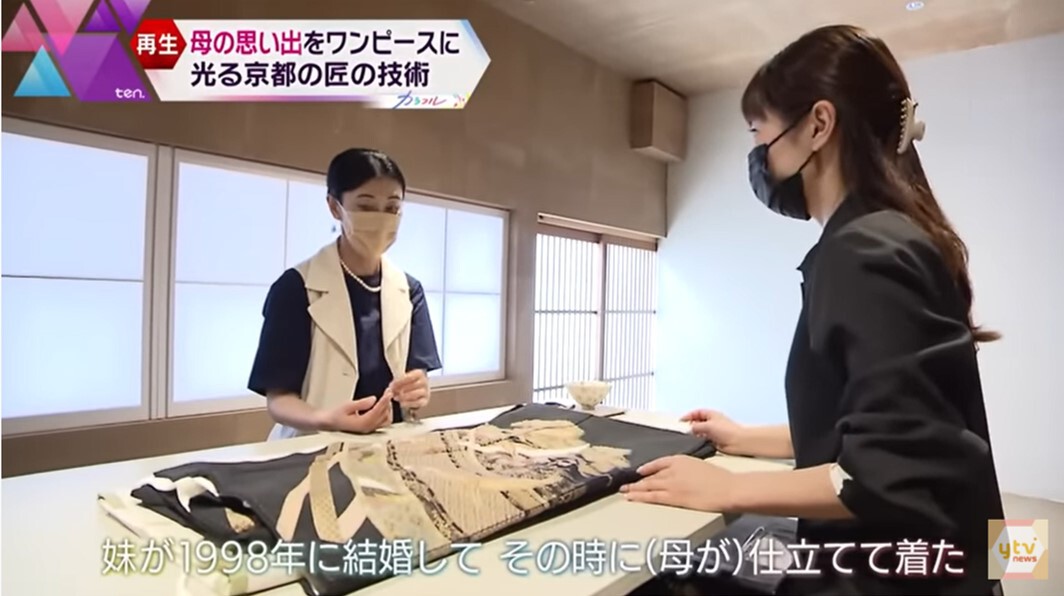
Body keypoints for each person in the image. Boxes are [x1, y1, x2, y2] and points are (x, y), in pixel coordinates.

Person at [620, 25, 1006, 596]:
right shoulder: (891, 236)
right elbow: (880, 425)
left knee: (669, 576)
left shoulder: (866, 251)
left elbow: (887, 470)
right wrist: (746, 437)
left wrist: (725, 487)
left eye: (760, 134)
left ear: (819, 125)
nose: (759, 156)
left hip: (897, 577)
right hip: (952, 564)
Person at [248, 148, 442, 441]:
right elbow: (279, 400)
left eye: (392, 208)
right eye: (365, 206)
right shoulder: (296, 287)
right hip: (311, 444)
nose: (381, 219)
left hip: (387, 444)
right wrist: (327, 419)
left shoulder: (409, 290)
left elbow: (416, 375)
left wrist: (418, 389)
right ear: (334, 207)